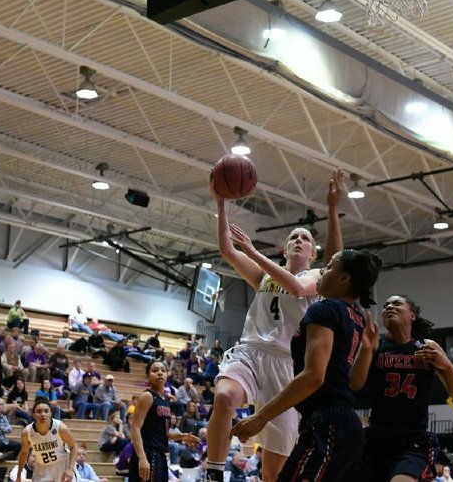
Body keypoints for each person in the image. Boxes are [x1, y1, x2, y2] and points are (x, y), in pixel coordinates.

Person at [206, 169, 344, 482]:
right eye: (294, 237)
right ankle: (213, 474)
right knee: (225, 397)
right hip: (251, 352)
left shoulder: (318, 278)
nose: (299, 240)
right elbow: (227, 249)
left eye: (306, 238)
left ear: (313, 253)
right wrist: (221, 203)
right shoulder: (264, 276)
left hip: (287, 367)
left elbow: (297, 288)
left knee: (274, 472)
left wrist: (253, 251)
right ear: (284, 249)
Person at [231, 248, 381, 482]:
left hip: (328, 422)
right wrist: (368, 350)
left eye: (330, 267)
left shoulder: (325, 309)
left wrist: (260, 417)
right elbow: (354, 382)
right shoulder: (355, 315)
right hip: (342, 424)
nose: (322, 271)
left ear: (344, 279)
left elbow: (313, 377)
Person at [349, 294, 453, 482]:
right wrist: (365, 348)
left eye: (396, 303)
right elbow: (355, 384)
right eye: (386, 305)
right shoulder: (375, 344)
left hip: (413, 441)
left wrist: (447, 365)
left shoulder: (427, 346)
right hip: (376, 438)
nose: (389, 307)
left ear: (412, 315)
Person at [129, 361, 201, 482]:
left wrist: (182, 436)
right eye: (155, 370)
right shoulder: (147, 396)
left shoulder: (165, 400)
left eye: (163, 370)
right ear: (148, 375)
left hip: (160, 456)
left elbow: (164, 434)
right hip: (147, 453)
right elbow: (135, 428)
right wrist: (142, 458)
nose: (160, 373)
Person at [16, 399, 77, 482]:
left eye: (46, 411)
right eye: (39, 411)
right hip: (41, 468)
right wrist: (19, 475)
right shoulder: (27, 432)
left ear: (51, 413)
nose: (42, 414)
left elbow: (73, 446)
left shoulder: (60, 427)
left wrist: (70, 469)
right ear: (33, 414)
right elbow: (24, 453)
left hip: (62, 465)